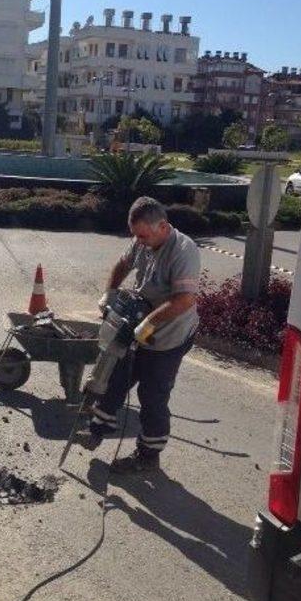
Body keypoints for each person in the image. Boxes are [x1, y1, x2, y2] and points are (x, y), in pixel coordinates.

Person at [83, 196, 201, 473]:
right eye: (135, 236)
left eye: (143, 236)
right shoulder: (142, 240)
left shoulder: (183, 251)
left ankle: (148, 455)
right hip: (138, 322)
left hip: (169, 335)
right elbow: (123, 264)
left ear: (162, 226)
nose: (139, 241)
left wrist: (148, 324)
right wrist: (109, 292)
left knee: (152, 395)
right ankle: (98, 429)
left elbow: (184, 300)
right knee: (116, 376)